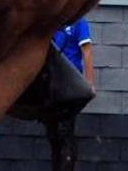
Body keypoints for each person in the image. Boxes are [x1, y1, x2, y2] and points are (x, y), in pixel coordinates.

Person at [45, 18, 94, 170]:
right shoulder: (54, 19)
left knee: (65, 133)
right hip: (51, 85)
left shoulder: (79, 22)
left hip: (69, 86)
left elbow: (87, 51)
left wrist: (89, 83)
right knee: (53, 136)